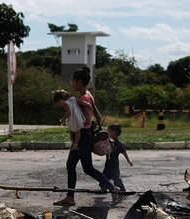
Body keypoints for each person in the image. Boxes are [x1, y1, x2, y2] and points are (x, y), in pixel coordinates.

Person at [54, 67, 119, 206]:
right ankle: (70, 197)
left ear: (79, 81)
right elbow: (97, 114)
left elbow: (86, 121)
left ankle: (113, 188)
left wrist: (76, 135)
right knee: (72, 165)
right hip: (84, 135)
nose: (72, 83)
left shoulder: (83, 98)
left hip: (83, 136)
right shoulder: (88, 94)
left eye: (73, 80)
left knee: (86, 168)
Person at [102, 124, 133, 193]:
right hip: (108, 163)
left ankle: (122, 190)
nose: (108, 133)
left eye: (109, 131)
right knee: (104, 176)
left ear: (114, 133)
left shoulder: (119, 144)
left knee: (116, 178)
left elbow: (124, 152)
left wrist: (129, 161)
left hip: (114, 164)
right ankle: (103, 187)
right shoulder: (108, 141)